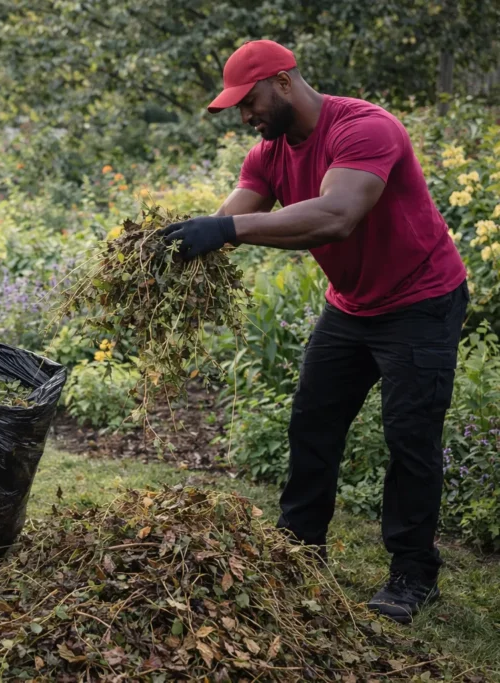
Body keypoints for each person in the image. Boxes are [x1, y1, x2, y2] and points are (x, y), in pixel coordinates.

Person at [162, 40, 468, 624]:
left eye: (248, 102)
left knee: (410, 436)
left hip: (421, 300)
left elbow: (336, 216)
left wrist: (227, 228)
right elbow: (238, 214)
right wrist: (174, 249)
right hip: (351, 305)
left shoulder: (365, 128)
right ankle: (298, 552)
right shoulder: (268, 152)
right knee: (313, 422)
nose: (246, 117)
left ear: (281, 82)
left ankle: (412, 573)